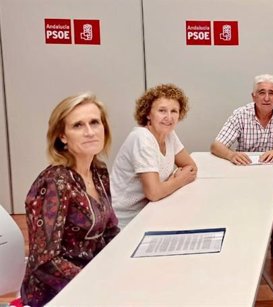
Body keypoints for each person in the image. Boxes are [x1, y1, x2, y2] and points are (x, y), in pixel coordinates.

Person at [21, 93, 120, 306]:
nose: (90, 132)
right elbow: (45, 262)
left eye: (95, 122)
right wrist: (96, 283)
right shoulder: (54, 183)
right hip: (58, 294)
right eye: (78, 125)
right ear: (62, 136)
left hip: (93, 280)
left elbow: (110, 233)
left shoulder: (98, 172)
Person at [210, 74, 273, 258]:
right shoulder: (240, 114)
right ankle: (247, 233)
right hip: (247, 171)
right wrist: (231, 154)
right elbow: (216, 145)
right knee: (236, 195)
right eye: (262, 92)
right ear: (253, 96)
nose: (267, 98)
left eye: (271, 93)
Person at [111, 84, 197, 228]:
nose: (169, 117)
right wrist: (179, 179)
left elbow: (191, 166)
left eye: (174, 111)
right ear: (148, 114)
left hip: (152, 209)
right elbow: (154, 193)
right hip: (126, 221)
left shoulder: (169, 134)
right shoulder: (142, 138)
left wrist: (168, 183)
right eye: (162, 110)